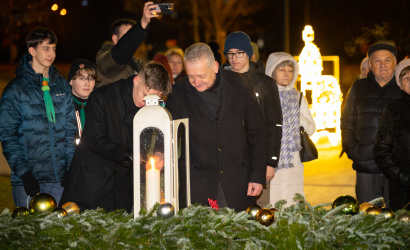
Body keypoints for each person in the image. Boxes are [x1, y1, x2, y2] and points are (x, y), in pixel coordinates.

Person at [165, 43, 268, 212]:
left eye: (201, 76)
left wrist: (257, 176)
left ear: (214, 67)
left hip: (238, 180)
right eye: (191, 76)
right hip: (198, 184)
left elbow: (257, 131)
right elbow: (169, 136)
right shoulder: (178, 93)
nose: (196, 82)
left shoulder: (240, 84)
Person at [59, 62, 172, 212]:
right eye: (145, 95)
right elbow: (94, 140)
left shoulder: (153, 105)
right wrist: (129, 155)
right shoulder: (102, 97)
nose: (147, 103)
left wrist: (159, 152)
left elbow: (157, 132)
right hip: (93, 184)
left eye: (154, 99)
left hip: (124, 187)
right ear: (136, 80)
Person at [0, 27, 76, 207]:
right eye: (46, 48)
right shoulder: (16, 89)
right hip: (28, 180)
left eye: (54, 48)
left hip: (59, 180)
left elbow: (70, 133)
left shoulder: (62, 85)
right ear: (32, 51)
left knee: (58, 233)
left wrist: (70, 170)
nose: (51, 53)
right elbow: (7, 135)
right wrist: (24, 173)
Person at [222, 31, 282, 207]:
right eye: (230, 54)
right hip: (230, 159)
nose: (234, 58)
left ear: (248, 53)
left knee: (258, 209)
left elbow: (274, 124)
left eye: (239, 53)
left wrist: (270, 162)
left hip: (257, 158)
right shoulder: (221, 82)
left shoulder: (265, 83)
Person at [341, 41, 401, 207]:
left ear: (395, 63)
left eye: (387, 60)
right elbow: (347, 121)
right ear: (370, 64)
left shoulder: (403, 88)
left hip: (395, 166)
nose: (382, 65)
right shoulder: (358, 87)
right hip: (365, 164)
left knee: (396, 217)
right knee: (367, 219)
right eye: (377, 60)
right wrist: (353, 149)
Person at [265, 52, 316, 206]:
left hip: (293, 159)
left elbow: (312, 129)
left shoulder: (299, 97)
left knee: (293, 200)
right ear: (272, 71)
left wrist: (295, 114)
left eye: (290, 70)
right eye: (282, 70)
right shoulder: (265, 96)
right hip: (271, 157)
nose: (286, 74)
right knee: (272, 203)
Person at [95, 2, 159, 88]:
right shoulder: (105, 60)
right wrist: (143, 23)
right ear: (114, 38)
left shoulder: (136, 62)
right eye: (127, 36)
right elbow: (121, 51)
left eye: (131, 34)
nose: (131, 39)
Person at [374, 59, 410, 211]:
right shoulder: (393, 111)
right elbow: (382, 151)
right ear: (400, 84)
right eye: (407, 77)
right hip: (402, 190)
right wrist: (404, 179)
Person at [67, 59, 97, 145]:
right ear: (71, 81)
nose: (87, 84)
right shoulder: (63, 107)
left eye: (91, 79)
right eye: (82, 78)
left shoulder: (100, 107)